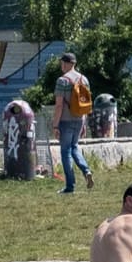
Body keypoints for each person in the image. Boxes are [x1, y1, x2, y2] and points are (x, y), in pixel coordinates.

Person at [52, 52, 95, 194]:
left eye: (62, 63)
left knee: (65, 152)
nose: (61, 66)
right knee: (75, 147)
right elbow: (87, 104)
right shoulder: (84, 80)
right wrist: (84, 124)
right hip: (79, 119)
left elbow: (59, 106)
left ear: (67, 64)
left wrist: (55, 125)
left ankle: (70, 186)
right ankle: (86, 170)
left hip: (65, 120)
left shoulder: (62, 81)